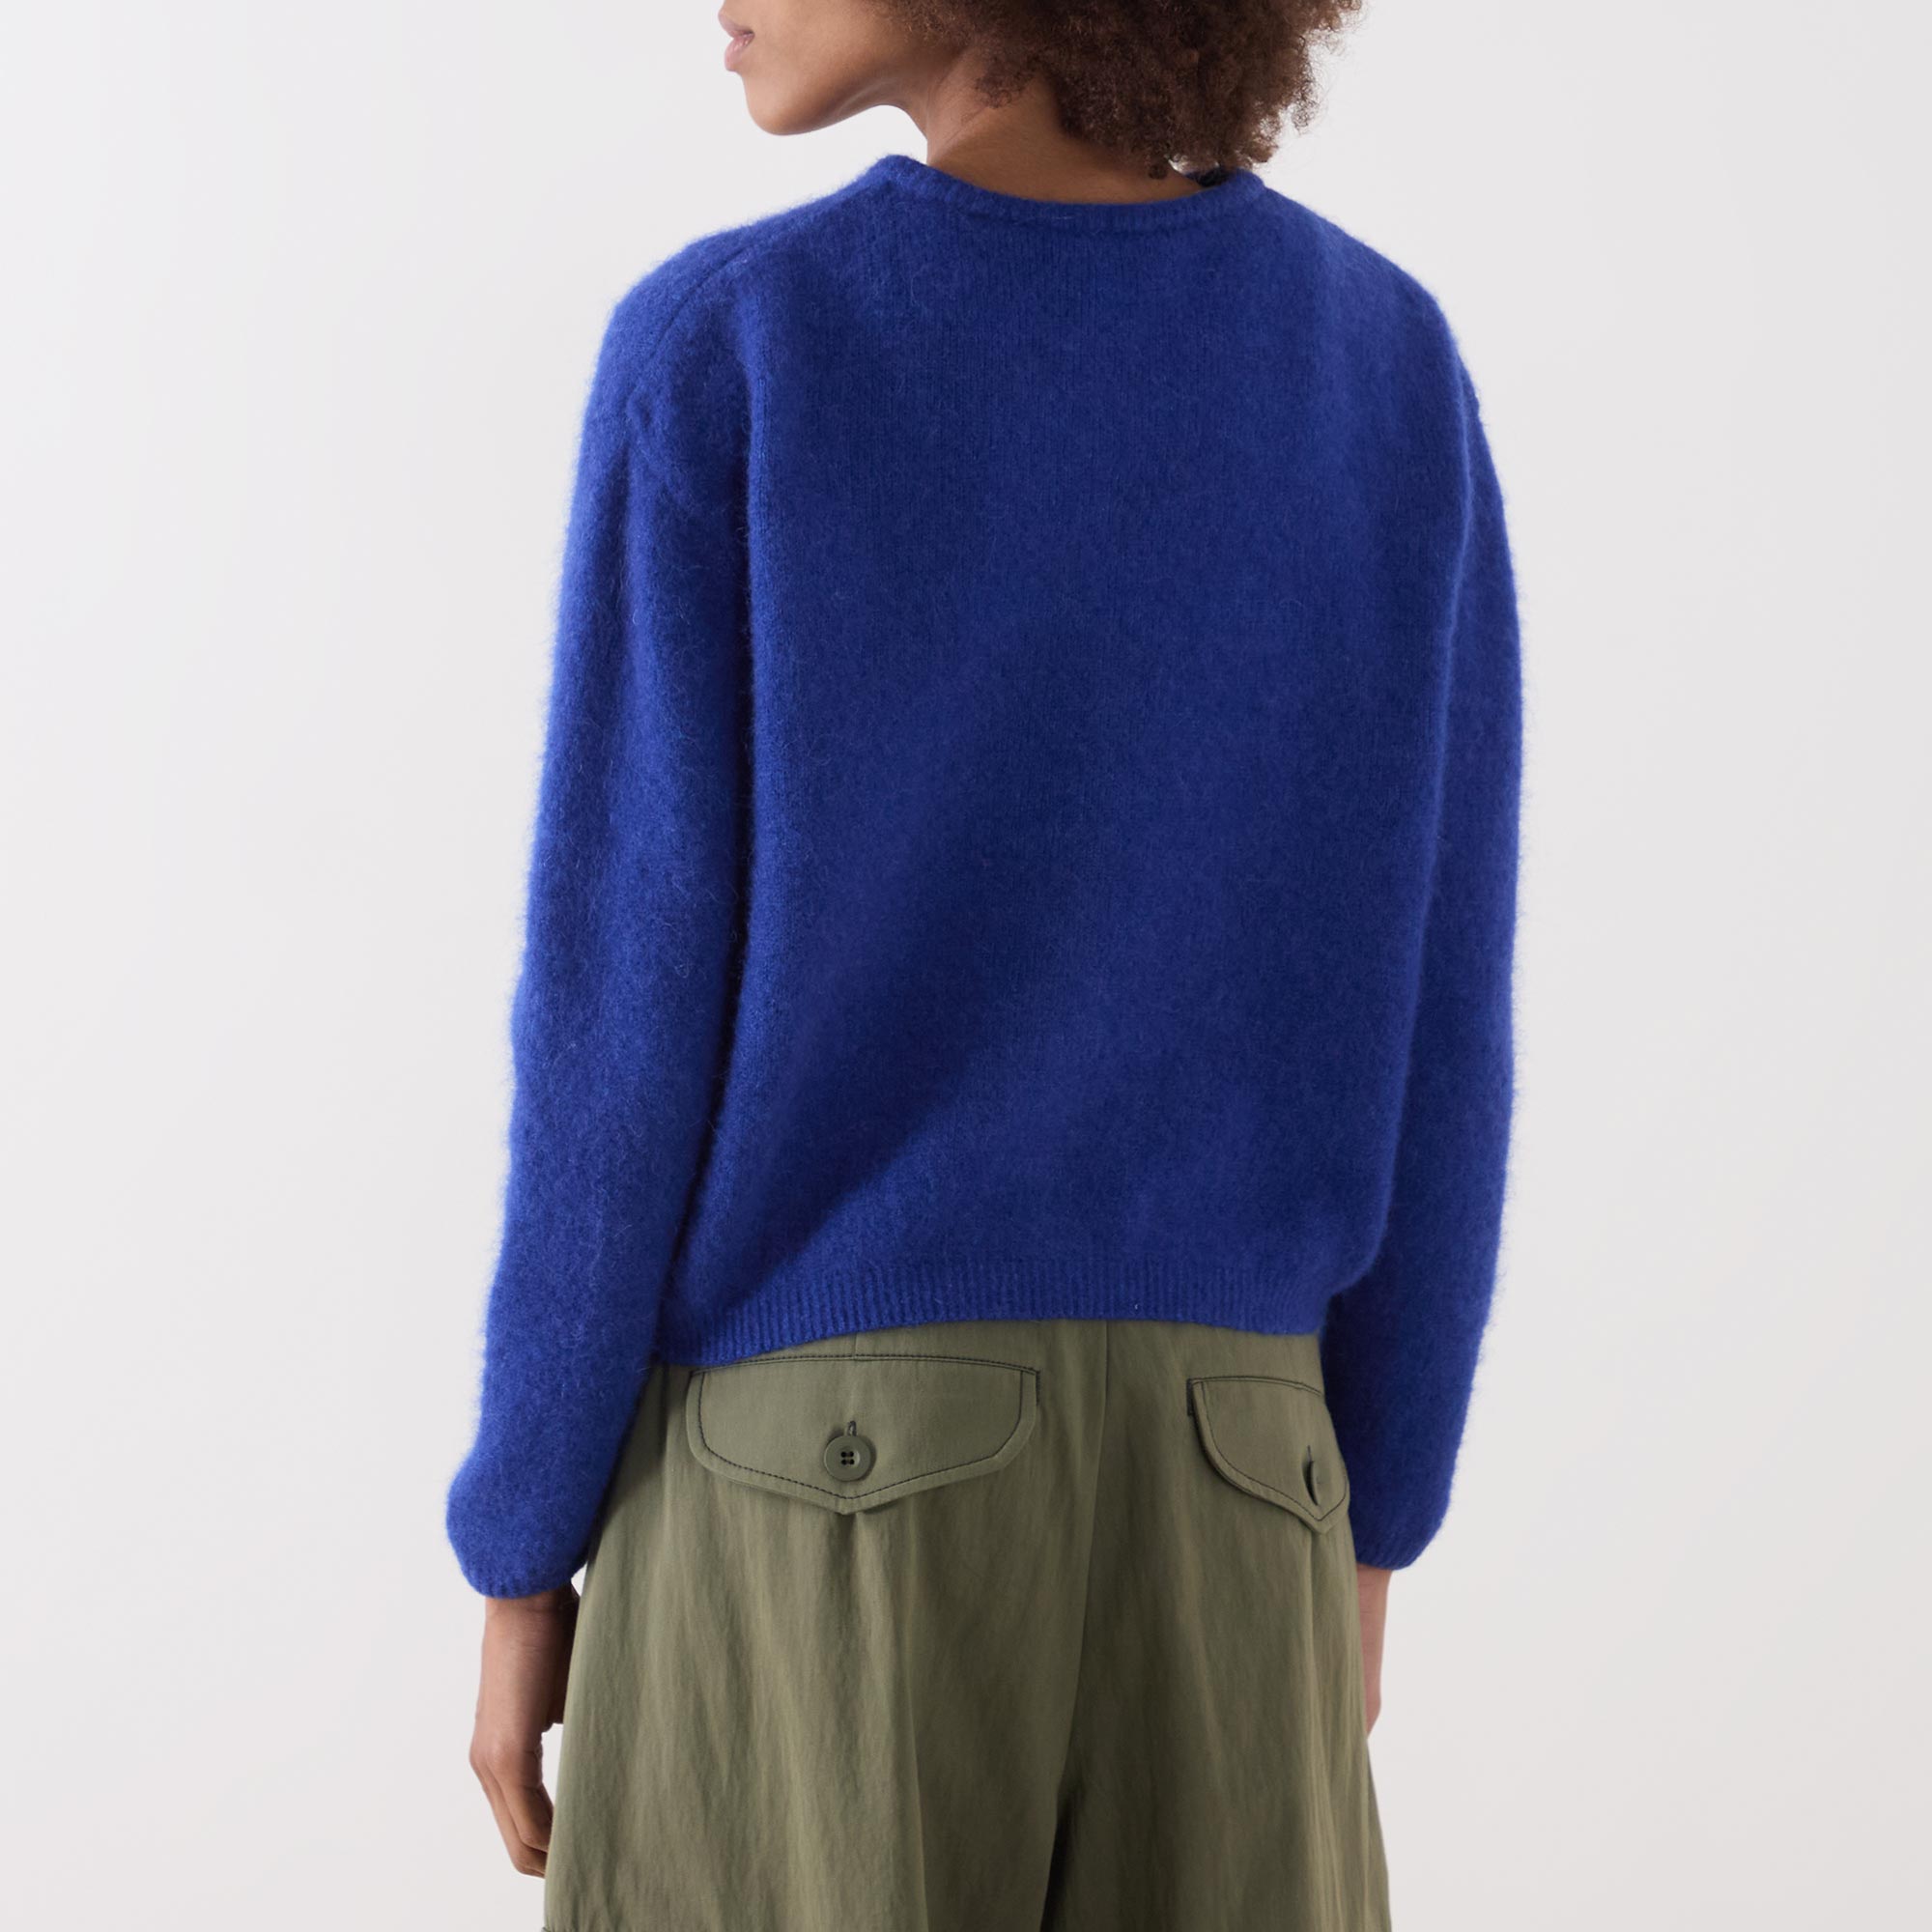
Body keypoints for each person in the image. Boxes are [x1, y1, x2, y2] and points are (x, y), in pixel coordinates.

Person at [447, 2, 1520, 1925]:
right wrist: (1366, 1513)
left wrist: (524, 1547)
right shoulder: (1381, 365)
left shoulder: (736, 345)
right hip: (1247, 1487)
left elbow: (622, 1020)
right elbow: (1446, 1008)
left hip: (814, 1498)